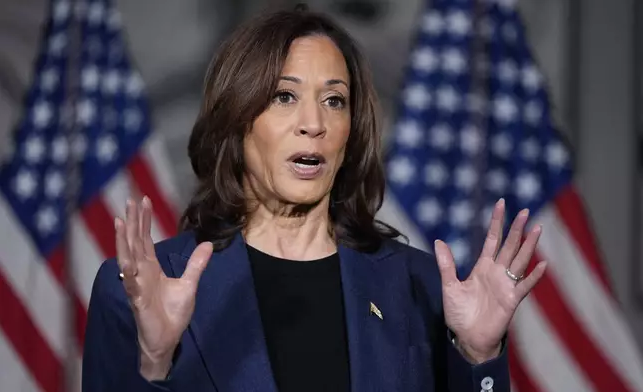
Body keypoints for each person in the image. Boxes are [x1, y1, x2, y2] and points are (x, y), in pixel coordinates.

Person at [82, 5, 547, 392]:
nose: (314, 123)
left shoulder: (420, 287)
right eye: (284, 96)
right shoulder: (138, 290)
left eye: (334, 100)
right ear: (236, 119)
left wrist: (479, 355)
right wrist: (154, 362)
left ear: (351, 131)